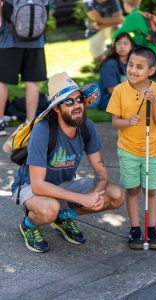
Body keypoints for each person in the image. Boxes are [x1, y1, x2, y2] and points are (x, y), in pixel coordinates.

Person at [11, 72, 124, 253]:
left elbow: (101, 172)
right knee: (50, 209)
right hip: (30, 186)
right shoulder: (43, 130)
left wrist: (94, 195)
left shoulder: (87, 127)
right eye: (69, 102)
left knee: (115, 194)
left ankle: (63, 217)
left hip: (64, 184)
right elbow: (38, 186)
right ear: (56, 108)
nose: (77, 105)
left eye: (79, 99)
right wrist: (81, 199)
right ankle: (29, 225)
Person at [106, 47, 156, 250]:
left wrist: (154, 103)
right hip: (128, 150)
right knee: (133, 189)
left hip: (152, 150)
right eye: (131, 65)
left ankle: (151, 228)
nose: (133, 70)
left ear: (151, 71)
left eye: (139, 67)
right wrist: (128, 122)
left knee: (151, 191)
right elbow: (115, 122)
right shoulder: (119, 90)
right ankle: (135, 228)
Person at [0, 0, 48, 136]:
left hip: (8, 39)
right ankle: (30, 124)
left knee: (2, 82)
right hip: (36, 40)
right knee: (32, 82)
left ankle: (0, 123)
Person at [99, 32, 134, 111]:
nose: (122, 46)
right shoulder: (110, 64)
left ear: (131, 46)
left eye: (125, 43)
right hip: (109, 100)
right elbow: (111, 90)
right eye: (119, 43)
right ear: (114, 46)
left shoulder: (133, 63)